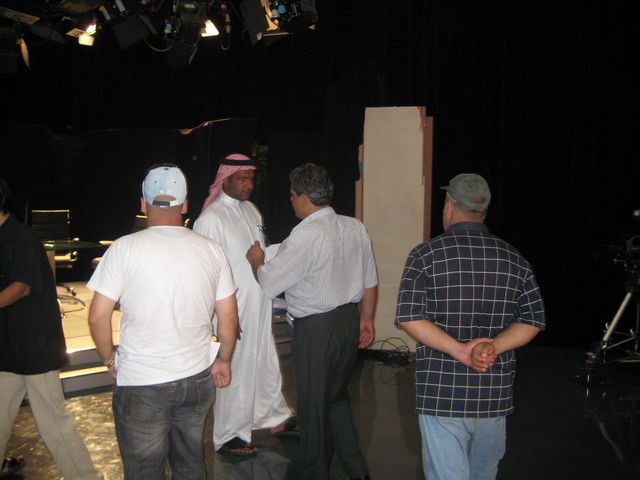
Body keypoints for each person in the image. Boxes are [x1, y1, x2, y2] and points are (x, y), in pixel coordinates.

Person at [87, 164, 238, 480]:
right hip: (196, 378)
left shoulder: (124, 248)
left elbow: (98, 316)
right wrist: (223, 359)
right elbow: (228, 316)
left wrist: (109, 358)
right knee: (190, 462)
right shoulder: (211, 250)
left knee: (144, 470)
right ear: (185, 205)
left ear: (143, 204)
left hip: (142, 381)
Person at [395, 173, 546, 480]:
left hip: (442, 394)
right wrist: (494, 346)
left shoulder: (424, 256)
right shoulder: (514, 259)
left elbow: (409, 316)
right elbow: (533, 320)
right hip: (493, 395)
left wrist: (461, 351)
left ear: (449, 206)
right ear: (483, 211)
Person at [246, 163, 377, 480]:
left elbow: (269, 283)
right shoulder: (355, 227)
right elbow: (370, 281)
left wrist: (257, 261)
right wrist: (366, 319)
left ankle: (316, 472)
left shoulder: (305, 235)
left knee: (312, 408)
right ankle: (356, 469)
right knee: (336, 399)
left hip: (317, 330)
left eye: (293, 195)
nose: (291, 200)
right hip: (347, 322)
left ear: (304, 198)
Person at [0, 177, 101, 480]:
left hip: (35, 346)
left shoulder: (21, 238)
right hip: (8, 346)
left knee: (52, 422)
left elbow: (21, 287)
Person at [193, 154, 293, 456]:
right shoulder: (210, 219)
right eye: (243, 179)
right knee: (234, 366)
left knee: (264, 360)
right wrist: (220, 318)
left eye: (251, 179)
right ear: (226, 180)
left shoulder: (251, 211)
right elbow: (204, 273)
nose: (249, 185)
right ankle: (229, 435)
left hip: (259, 302)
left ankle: (272, 416)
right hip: (232, 309)